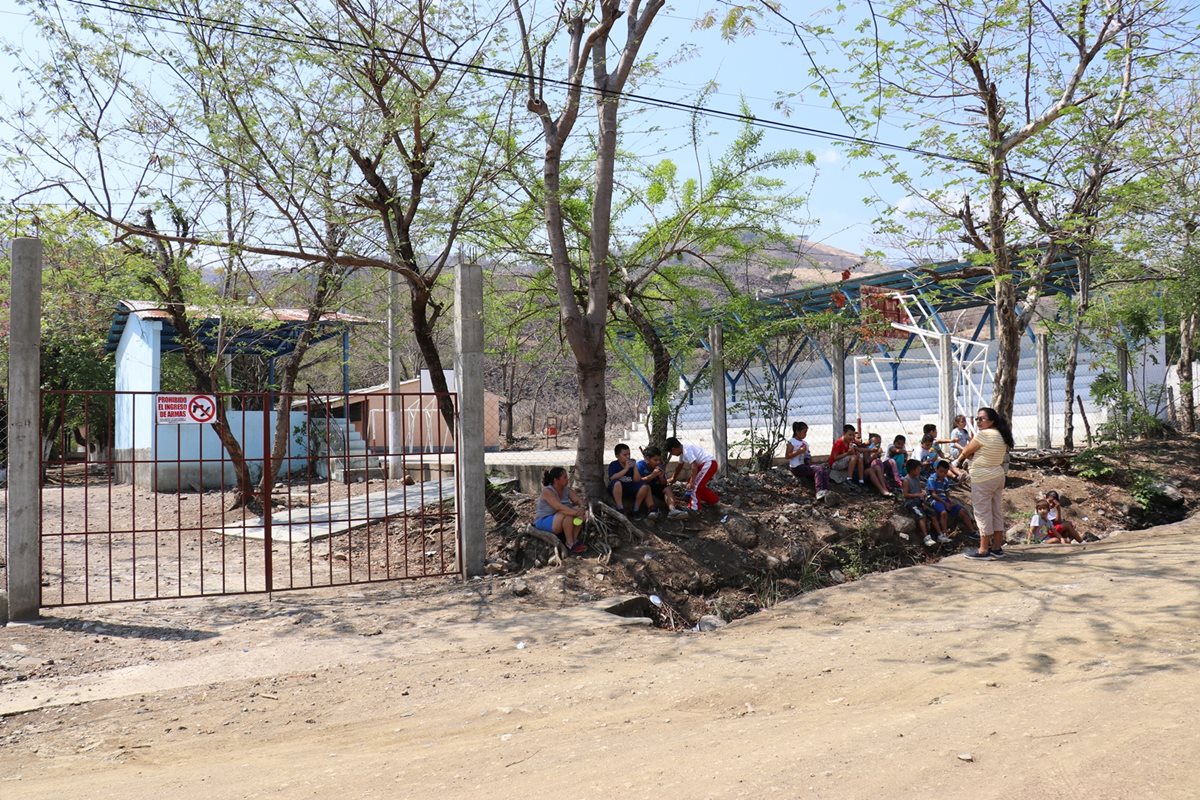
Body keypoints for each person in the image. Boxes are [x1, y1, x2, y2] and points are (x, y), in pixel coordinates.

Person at [954, 407, 1015, 560]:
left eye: (982, 419)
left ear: (992, 420)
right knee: (996, 511)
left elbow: (967, 450)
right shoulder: (1002, 434)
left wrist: (959, 461)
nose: (978, 422)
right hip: (997, 475)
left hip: (982, 478)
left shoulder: (984, 435)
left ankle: (983, 550)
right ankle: (996, 547)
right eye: (977, 419)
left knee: (982, 513)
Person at [533, 467, 587, 554]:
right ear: (556, 480)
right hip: (544, 520)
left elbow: (578, 500)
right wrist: (576, 512)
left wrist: (581, 507)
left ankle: (574, 540)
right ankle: (570, 543)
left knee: (577, 514)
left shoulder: (566, 490)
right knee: (568, 514)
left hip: (559, 518)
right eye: (565, 477)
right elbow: (558, 507)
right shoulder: (547, 491)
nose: (567, 479)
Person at [926, 459, 977, 538]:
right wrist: (945, 502)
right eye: (941, 471)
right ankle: (944, 534)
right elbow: (933, 494)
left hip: (944, 499)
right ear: (936, 469)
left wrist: (949, 501)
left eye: (945, 472)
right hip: (935, 500)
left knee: (962, 511)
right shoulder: (931, 479)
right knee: (944, 513)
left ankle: (972, 532)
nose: (943, 474)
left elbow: (947, 492)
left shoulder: (945, 480)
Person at [666, 437, 719, 511]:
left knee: (694, 486)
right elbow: (679, 466)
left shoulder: (686, 450)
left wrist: (692, 482)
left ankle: (694, 508)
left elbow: (694, 466)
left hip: (707, 464)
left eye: (671, 452)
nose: (672, 454)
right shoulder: (682, 452)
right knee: (699, 486)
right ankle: (714, 500)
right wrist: (673, 478)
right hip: (707, 464)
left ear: (673, 449)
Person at [636, 446, 688, 519]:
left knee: (667, 488)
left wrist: (661, 477)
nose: (658, 462)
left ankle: (672, 510)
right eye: (655, 460)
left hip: (655, 487)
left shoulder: (659, 467)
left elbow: (664, 483)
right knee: (646, 487)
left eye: (659, 460)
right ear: (647, 459)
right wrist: (652, 476)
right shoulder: (640, 465)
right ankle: (652, 510)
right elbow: (637, 481)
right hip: (644, 488)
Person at [786, 421, 829, 500]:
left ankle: (826, 490)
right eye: (804, 432)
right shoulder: (791, 442)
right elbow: (787, 456)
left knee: (822, 470)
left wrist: (808, 459)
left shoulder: (805, 443)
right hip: (796, 467)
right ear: (797, 432)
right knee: (818, 469)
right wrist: (799, 451)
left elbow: (807, 456)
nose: (805, 434)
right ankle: (819, 491)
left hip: (803, 465)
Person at [608, 443, 653, 517]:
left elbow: (637, 480)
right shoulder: (614, 464)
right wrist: (626, 469)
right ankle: (620, 508)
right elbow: (612, 477)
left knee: (645, 486)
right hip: (618, 489)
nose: (628, 457)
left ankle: (636, 509)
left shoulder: (632, 465)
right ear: (617, 456)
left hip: (630, 488)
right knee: (617, 483)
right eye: (625, 455)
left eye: (629, 454)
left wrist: (635, 467)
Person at [901, 459, 938, 547]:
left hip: (919, 501)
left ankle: (940, 534)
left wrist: (923, 496)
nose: (920, 470)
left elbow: (919, 489)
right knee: (921, 516)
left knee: (932, 513)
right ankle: (926, 537)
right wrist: (919, 494)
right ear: (912, 470)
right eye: (918, 469)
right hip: (911, 503)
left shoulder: (917, 478)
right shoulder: (906, 480)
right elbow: (905, 495)